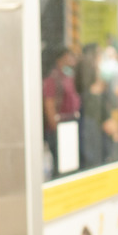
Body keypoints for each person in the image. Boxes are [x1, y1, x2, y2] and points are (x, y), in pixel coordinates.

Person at [43, 45, 80, 178]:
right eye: (69, 57)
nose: (72, 60)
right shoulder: (52, 79)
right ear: (61, 59)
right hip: (59, 130)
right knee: (61, 169)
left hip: (70, 127)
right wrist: (56, 129)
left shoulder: (69, 77)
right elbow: (49, 105)